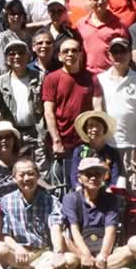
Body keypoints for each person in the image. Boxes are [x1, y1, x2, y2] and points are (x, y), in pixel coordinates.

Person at [0, 158, 80, 269]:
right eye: (22, 175)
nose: (26, 178)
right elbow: (5, 234)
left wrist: (58, 252)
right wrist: (17, 248)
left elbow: (55, 227)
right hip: (17, 254)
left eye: (30, 174)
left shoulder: (51, 201)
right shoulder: (6, 201)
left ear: (38, 176)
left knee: (72, 260)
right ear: (14, 178)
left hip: (42, 254)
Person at [61, 157, 132, 269]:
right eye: (88, 174)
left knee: (131, 249)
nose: (93, 178)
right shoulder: (70, 199)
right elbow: (74, 229)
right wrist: (85, 254)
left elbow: (110, 231)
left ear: (104, 177)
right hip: (79, 250)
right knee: (62, 238)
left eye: (98, 174)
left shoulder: (112, 200)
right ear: (79, 178)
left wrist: (103, 256)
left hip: (106, 252)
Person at [42, 38, 100, 177]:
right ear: (59, 56)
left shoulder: (91, 78)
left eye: (74, 50)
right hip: (62, 141)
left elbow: (97, 109)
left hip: (84, 141)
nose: (70, 54)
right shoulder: (51, 78)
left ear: (80, 54)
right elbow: (49, 112)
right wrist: (56, 140)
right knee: (62, 181)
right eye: (66, 51)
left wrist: (95, 138)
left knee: (84, 180)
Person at [99, 36, 136, 172]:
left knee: (131, 182)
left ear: (130, 54)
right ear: (109, 55)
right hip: (107, 144)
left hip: (132, 144)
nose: (118, 55)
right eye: (115, 52)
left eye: (122, 51)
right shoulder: (100, 79)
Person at [0, 40, 45, 165]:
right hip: (12, 135)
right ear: (6, 59)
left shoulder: (40, 77)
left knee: (40, 170)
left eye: (21, 53)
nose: (17, 57)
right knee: (14, 170)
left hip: (36, 133)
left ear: (28, 56)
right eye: (12, 54)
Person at [74, 0, 129, 75]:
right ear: (90, 1)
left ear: (108, 0)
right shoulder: (81, 24)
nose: (100, 2)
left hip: (110, 75)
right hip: (86, 75)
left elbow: (126, 53)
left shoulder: (119, 25)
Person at [67, 111, 124, 188]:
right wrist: (79, 190)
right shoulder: (79, 151)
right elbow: (74, 178)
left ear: (104, 129)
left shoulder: (112, 153)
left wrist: (109, 190)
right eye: (90, 126)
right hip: (83, 191)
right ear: (86, 129)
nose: (94, 129)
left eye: (98, 125)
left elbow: (115, 178)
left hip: (106, 192)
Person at [0, 0, 33, 74]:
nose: (16, 17)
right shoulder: (3, 37)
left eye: (19, 14)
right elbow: (2, 63)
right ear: (7, 17)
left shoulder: (28, 37)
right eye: (13, 14)